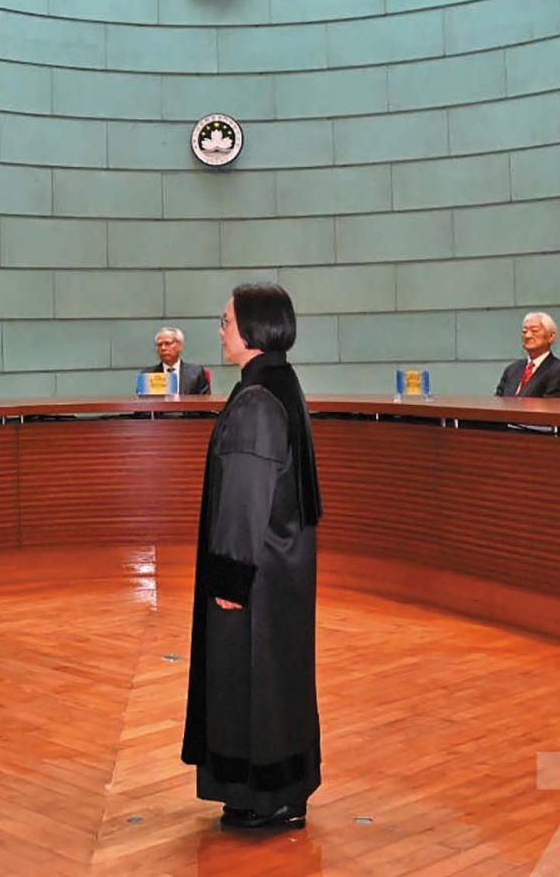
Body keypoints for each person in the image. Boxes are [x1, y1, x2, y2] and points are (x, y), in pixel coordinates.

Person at [182, 283, 322, 830]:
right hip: (280, 564)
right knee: (274, 676)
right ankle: (265, 790)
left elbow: (246, 492)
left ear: (252, 330)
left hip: (256, 571)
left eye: (226, 321)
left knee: (253, 677)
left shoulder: (258, 399)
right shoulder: (278, 382)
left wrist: (230, 578)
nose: (220, 331)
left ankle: (269, 795)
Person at [494, 311, 560, 398]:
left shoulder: (559, 371)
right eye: (524, 331)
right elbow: (498, 401)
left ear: (551, 337)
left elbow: (551, 404)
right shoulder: (512, 369)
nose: (527, 336)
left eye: (534, 331)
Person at [145, 326, 212, 395]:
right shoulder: (148, 375)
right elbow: (144, 400)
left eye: (167, 343)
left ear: (180, 346)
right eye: (159, 345)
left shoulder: (196, 373)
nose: (163, 348)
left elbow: (205, 399)